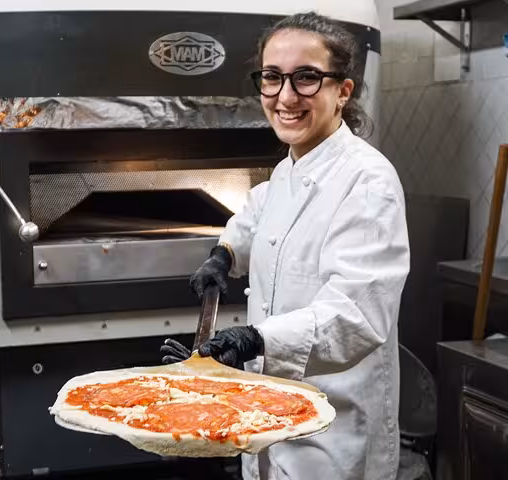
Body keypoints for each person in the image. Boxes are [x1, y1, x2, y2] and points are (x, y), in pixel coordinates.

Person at [160, 12, 410, 480]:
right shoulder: (290, 167)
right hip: (270, 414)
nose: (286, 96)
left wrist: (254, 339)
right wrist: (225, 254)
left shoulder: (367, 181)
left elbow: (357, 315)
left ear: (343, 91)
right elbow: (258, 213)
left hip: (332, 435)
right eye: (272, 78)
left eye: (307, 78)